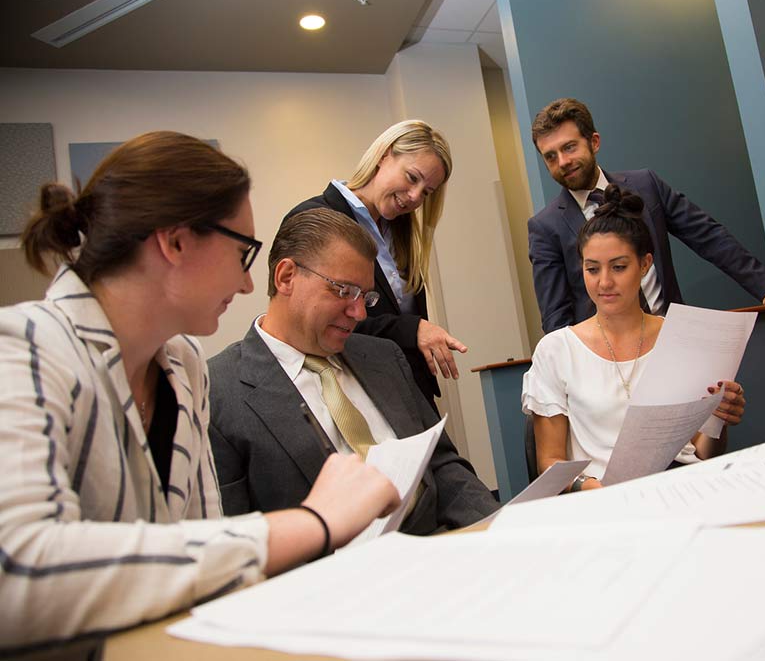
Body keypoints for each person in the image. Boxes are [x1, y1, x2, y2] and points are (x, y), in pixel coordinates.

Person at [0, 132, 401, 653]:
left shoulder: (183, 365)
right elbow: (19, 569)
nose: (243, 284)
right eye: (243, 252)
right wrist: (312, 523)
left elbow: (205, 556)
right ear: (176, 241)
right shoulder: (24, 346)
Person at [208, 207, 499, 533]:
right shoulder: (219, 392)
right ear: (286, 276)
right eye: (344, 291)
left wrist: (499, 528)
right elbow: (237, 539)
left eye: (366, 296)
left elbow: (443, 465)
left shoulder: (383, 358)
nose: (359, 312)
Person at [522, 185, 746, 490]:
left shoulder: (678, 338)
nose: (604, 282)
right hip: (605, 498)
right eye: (592, 269)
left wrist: (718, 421)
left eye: (618, 267)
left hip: (682, 486)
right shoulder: (557, 350)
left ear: (644, 264)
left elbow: (702, 452)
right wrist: (590, 487)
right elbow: (550, 462)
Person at [527, 98, 765, 333]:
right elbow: (555, 317)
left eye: (569, 148)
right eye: (551, 157)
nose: (562, 162)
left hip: (673, 339)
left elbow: (709, 236)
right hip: (607, 364)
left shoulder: (646, 186)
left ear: (594, 142)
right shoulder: (545, 228)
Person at [284, 120, 461, 407]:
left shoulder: (400, 233)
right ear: (384, 155)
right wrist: (411, 329)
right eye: (412, 177)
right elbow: (308, 320)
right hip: (350, 392)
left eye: (427, 192)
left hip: (407, 391)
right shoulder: (315, 217)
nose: (416, 197)